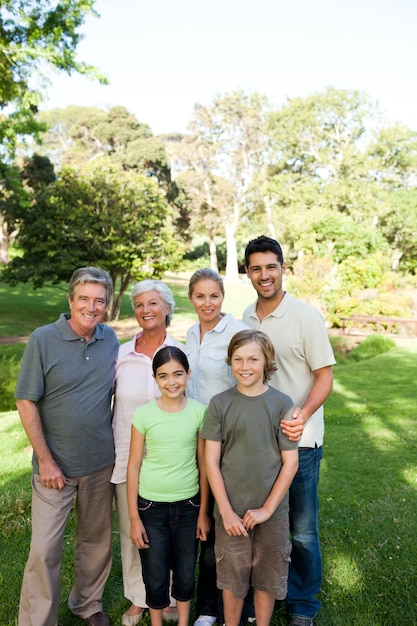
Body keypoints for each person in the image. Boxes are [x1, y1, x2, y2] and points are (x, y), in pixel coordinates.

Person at [15, 266, 120, 626]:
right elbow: (25, 401)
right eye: (85, 299)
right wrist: (45, 460)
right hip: (53, 467)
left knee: (96, 544)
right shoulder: (43, 339)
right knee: (44, 549)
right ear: (70, 300)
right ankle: (38, 621)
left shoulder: (111, 342)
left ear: (106, 305)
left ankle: (87, 605)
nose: (92, 307)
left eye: (99, 301)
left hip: (99, 464)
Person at [242, 235, 336, 626]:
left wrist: (302, 414)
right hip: (257, 445)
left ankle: (303, 603)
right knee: (263, 525)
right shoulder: (247, 316)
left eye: (271, 266)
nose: (264, 275)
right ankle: (266, 593)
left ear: (283, 268)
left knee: (302, 529)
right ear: (247, 272)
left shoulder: (305, 316)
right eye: (256, 268)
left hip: (301, 440)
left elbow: (325, 378)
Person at [202, 329, 299, 626]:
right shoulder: (219, 404)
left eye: (253, 359)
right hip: (231, 513)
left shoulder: (282, 403)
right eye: (238, 359)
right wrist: (227, 512)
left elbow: (290, 463)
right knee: (232, 581)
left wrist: (268, 509)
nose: (245, 366)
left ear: (266, 361)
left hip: (272, 513)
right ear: (230, 361)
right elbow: (210, 460)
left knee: (267, 579)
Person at [111, 279, 183, 626]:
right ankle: (138, 599)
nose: (146, 310)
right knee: (132, 532)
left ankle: (168, 598)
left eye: (153, 303)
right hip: (127, 457)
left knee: (167, 532)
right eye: (139, 304)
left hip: (170, 462)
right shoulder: (122, 353)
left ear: (167, 308)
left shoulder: (178, 351)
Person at [126, 346, 210, 626]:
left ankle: (184, 622)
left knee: (186, 571)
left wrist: (202, 513)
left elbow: (204, 464)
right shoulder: (144, 415)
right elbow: (134, 466)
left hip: (189, 507)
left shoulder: (200, 412)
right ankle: (157, 622)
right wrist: (134, 518)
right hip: (150, 508)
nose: (171, 382)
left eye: (177, 374)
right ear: (155, 378)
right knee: (156, 572)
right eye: (163, 376)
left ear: (188, 374)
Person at [185, 268, 249, 626]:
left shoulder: (237, 332)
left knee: (229, 525)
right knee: (203, 521)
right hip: (195, 440)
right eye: (200, 296)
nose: (207, 303)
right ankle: (208, 606)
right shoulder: (191, 333)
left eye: (214, 296)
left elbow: (250, 380)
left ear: (222, 297)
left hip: (228, 440)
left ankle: (234, 606)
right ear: (191, 298)